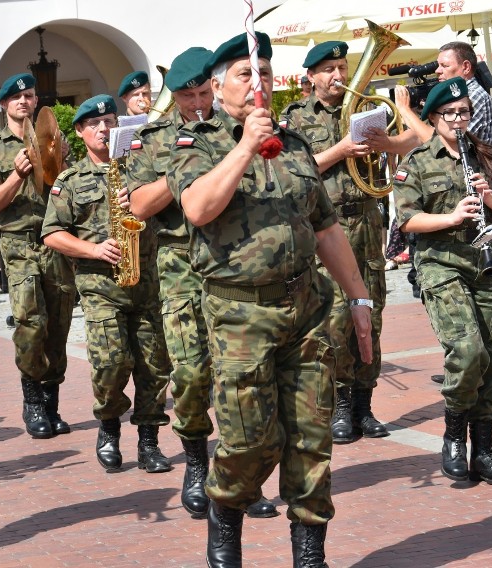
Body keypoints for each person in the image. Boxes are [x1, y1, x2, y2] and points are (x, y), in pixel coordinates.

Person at [168, 32, 373, 566]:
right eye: (244, 74)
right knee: (249, 441)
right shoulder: (197, 144)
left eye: (264, 74)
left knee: (311, 438)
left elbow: (325, 227)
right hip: (240, 315)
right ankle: (224, 530)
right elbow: (197, 207)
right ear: (217, 86)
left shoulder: (297, 147)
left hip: (306, 310)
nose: (258, 84)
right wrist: (242, 146)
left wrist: (358, 298)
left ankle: (310, 554)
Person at [126, 47, 276, 520]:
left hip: (233, 259)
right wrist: (187, 175)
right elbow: (138, 205)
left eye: (202, 93)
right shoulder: (155, 138)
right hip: (180, 265)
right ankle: (195, 459)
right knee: (190, 375)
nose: (196, 103)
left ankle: (240, 480)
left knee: (240, 376)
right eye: (186, 96)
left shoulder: (239, 126)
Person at [393, 77, 492, 486]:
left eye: (463, 112)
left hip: (488, 262)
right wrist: (451, 217)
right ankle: (454, 435)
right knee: (468, 350)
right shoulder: (416, 162)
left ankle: (483, 451)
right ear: (433, 117)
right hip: (441, 263)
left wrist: (488, 197)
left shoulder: (485, 156)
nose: (457, 119)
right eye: (449, 114)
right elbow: (406, 219)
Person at [283, 41, 416, 444]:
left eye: (342, 67)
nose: (338, 76)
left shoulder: (364, 110)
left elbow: (412, 142)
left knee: (370, 317)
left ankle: (364, 405)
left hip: (366, 224)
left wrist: (387, 145)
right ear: (311, 77)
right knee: (336, 322)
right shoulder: (295, 119)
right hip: (327, 232)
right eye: (328, 69)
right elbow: (294, 170)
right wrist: (341, 150)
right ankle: (340, 405)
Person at [42, 94, 172, 475]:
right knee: (111, 363)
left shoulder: (142, 171)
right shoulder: (70, 180)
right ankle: (110, 428)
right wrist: (94, 249)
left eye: (110, 121)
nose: (104, 128)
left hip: (147, 280)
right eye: (94, 124)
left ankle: (149, 443)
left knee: (153, 366)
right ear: (80, 133)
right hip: (101, 285)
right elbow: (52, 234)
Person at [0, 73, 76, 439]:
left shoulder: (54, 138)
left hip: (55, 239)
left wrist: (61, 163)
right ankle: (32, 400)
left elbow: (69, 189)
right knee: (30, 322)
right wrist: (17, 175)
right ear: (4, 105)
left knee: (59, 323)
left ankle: (52, 402)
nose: (24, 102)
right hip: (18, 242)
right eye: (16, 97)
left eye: (29, 96)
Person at [435, 42, 492, 145]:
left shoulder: (473, 95)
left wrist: (406, 111)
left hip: (475, 161)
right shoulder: (459, 95)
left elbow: (453, 141)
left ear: (466, 67)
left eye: (444, 66)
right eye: (438, 65)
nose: (437, 70)